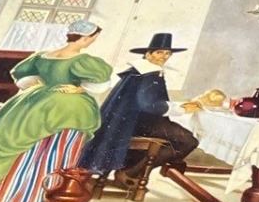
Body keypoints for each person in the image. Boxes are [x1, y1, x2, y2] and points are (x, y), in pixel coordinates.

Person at [0, 20, 112, 202]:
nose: (93, 41)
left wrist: (45, 85)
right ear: (86, 38)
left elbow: (22, 76)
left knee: (25, 150)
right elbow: (100, 83)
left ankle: (4, 197)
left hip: (34, 103)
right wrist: (78, 88)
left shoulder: (43, 56)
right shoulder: (82, 61)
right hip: (69, 110)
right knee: (56, 152)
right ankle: (38, 199)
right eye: (93, 38)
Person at [79, 31, 200, 181]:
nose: (164, 56)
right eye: (159, 52)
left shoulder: (139, 71)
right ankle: (129, 173)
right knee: (188, 141)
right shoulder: (149, 73)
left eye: (167, 53)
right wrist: (180, 109)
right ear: (148, 54)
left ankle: (129, 170)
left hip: (126, 121)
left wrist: (177, 106)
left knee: (177, 138)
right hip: (136, 123)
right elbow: (148, 105)